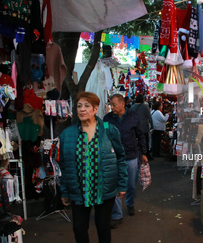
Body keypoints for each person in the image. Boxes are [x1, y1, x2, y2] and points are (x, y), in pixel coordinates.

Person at [59, 92, 128, 243]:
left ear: (95, 109)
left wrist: (122, 184)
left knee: (103, 227)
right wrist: (64, 191)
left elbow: (120, 158)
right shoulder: (67, 134)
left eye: (86, 106)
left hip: (104, 189)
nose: (82, 109)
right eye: (79, 106)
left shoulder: (108, 130)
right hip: (79, 191)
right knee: (79, 228)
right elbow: (64, 165)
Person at [103, 94, 148, 229]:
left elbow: (141, 134)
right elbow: (104, 135)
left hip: (131, 155)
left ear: (122, 103)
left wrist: (144, 153)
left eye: (114, 105)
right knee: (115, 186)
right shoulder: (107, 118)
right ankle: (117, 215)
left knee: (130, 185)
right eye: (110, 105)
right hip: (113, 157)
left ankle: (130, 203)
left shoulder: (133, 116)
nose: (112, 108)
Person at [130, 94, 153, 161]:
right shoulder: (145, 107)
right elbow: (149, 117)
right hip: (144, 127)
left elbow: (130, 116)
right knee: (145, 141)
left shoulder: (132, 107)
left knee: (136, 141)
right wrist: (152, 125)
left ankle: (136, 154)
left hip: (135, 126)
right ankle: (146, 154)